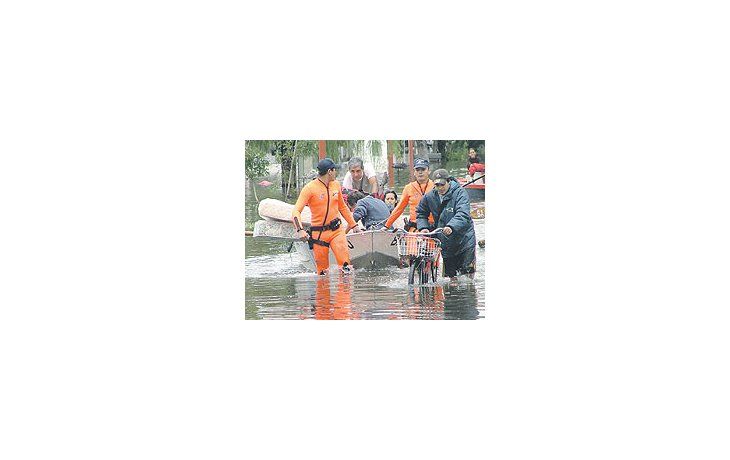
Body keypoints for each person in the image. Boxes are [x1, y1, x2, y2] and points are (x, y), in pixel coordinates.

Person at [291, 158, 362, 275]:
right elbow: (296, 211)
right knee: (323, 273)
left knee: (346, 267)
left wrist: (354, 225)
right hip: (319, 234)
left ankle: (345, 292)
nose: (336, 173)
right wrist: (300, 230)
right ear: (330, 171)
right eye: (335, 170)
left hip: (337, 231)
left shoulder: (336, 185)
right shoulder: (309, 189)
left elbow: (342, 207)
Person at [416, 169, 477, 282]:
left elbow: (463, 213)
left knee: (467, 277)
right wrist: (423, 227)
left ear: (448, 181)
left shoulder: (460, 193)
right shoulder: (429, 197)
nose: (440, 188)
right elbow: (421, 212)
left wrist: (451, 226)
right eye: (437, 185)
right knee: (451, 278)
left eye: (442, 184)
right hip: (445, 240)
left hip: (465, 238)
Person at [383, 157, 434, 232]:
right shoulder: (409, 188)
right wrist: (386, 226)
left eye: (423, 169)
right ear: (414, 172)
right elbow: (399, 208)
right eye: (417, 170)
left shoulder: (435, 186)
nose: (420, 172)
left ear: (428, 171)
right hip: (414, 227)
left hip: (432, 226)